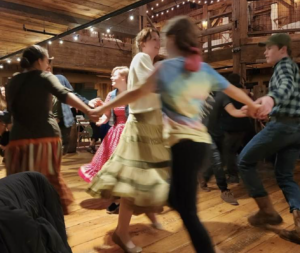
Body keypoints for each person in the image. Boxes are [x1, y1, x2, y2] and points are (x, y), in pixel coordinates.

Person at [89, 16, 259, 253]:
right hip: (199, 145)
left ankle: (207, 249)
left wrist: (103, 107)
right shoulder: (203, 67)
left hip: (181, 145)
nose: (160, 44)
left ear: (171, 40)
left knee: (183, 207)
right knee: (170, 195)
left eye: (163, 39)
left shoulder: (166, 67)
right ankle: (157, 221)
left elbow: (135, 93)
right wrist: (252, 105)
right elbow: (232, 90)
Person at [87, 28, 170, 253]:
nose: (156, 42)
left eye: (157, 39)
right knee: (134, 183)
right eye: (152, 39)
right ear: (142, 42)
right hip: (142, 126)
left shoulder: (148, 63)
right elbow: (144, 92)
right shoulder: (141, 58)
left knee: (144, 179)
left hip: (148, 126)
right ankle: (122, 232)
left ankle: (144, 219)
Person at [5, 45, 93, 214]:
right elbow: (64, 94)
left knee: (19, 182)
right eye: (47, 60)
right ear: (39, 61)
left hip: (18, 140)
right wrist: (88, 110)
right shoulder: (44, 77)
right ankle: (49, 217)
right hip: (44, 137)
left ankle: (24, 218)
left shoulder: (13, 81)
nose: (48, 65)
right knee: (47, 179)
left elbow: (11, 109)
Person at [238, 34, 300, 245]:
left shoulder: (283, 66)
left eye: (269, 48)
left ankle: (267, 212)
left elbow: (285, 87)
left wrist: (271, 98)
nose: (265, 52)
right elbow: (291, 93)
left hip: (282, 127)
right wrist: (267, 111)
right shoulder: (293, 66)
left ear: (282, 49)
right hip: (296, 129)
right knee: (285, 176)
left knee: (244, 161)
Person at [79, 66, 129, 183]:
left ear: (124, 78)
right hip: (116, 132)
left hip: (130, 131)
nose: (111, 77)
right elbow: (107, 115)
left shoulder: (132, 93)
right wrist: (102, 118)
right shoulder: (111, 95)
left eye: (114, 75)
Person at [0, 172, 72, 253]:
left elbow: (31, 232)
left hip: (37, 187)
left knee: (58, 236)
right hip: (19, 194)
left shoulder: (12, 222)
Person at [201, 91, 247, 205]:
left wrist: (248, 111)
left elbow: (233, 111)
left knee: (220, 161)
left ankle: (204, 178)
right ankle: (224, 190)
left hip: (218, 134)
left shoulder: (221, 96)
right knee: (216, 160)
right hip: (203, 135)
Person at [53, 74, 101, 154]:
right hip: (46, 121)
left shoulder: (60, 78)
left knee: (62, 149)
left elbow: (72, 94)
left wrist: (87, 102)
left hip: (63, 120)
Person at [220, 74, 253, 183]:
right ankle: (247, 172)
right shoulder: (246, 92)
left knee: (229, 152)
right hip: (245, 125)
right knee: (244, 150)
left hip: (231, 127)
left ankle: (233, 175)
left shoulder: (227, 92)